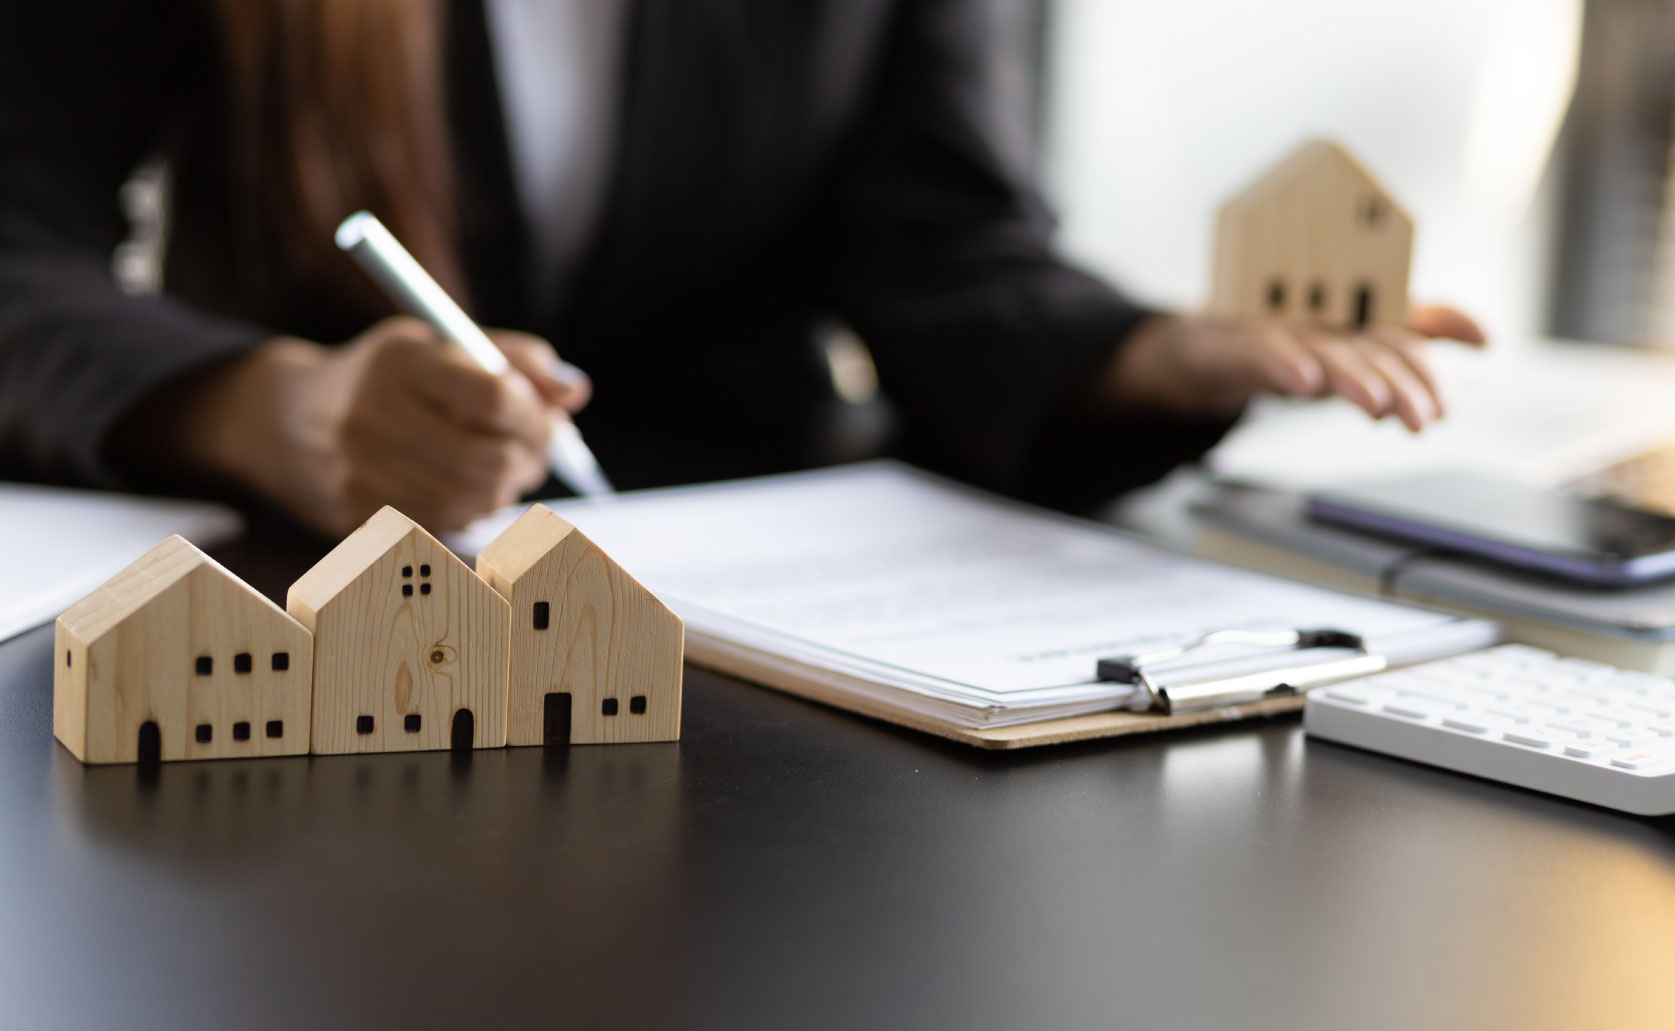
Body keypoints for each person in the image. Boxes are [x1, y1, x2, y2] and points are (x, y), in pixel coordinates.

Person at [0, 0, 1483, 536]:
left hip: (757, 630)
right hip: (305, 602)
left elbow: (945, 249)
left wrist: (1148, 353)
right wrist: (284, 414)